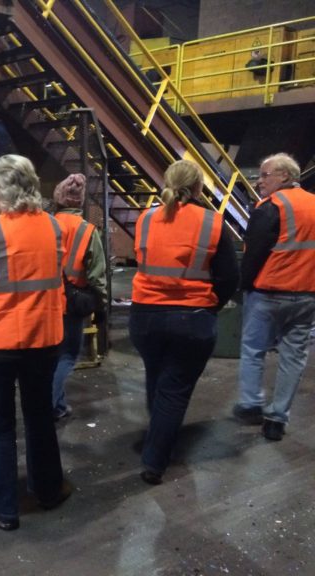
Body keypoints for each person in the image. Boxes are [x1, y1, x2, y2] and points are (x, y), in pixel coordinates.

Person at [0, 154, 71, 530]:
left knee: (1, 426)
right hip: (42, 340)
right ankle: (48, 489)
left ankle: (5, 507)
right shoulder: (55, 228)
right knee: (40, 416)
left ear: (6, 191)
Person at [129, 159, 238, 485]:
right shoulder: (212, 223)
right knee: (174, 390)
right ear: (198, 188)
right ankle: (155, 460)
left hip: (144, 317)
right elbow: (230, 276)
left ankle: (158, 436)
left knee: (158, 378)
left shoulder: (146, 218)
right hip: (191, 319)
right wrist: (211, 306)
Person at [233, 153, 315, 441]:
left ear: (284, 176)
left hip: (268, 293)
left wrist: (243, 286)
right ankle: (277, 419)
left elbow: (254, 253)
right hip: (306, 295)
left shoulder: (270, 207)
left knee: (254, 349)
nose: (259, 181)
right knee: (293, 358)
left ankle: (251, 404)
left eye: (265, 175)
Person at [51, 173, 108, 420]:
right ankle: (50, 405)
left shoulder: (45, 223)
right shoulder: (87, 231)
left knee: (50, 358)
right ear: (80, 201)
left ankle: (58, 404)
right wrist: (101, 307)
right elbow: (97, 276)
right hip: (70, 305)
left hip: (42, 301)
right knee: (66, 356)